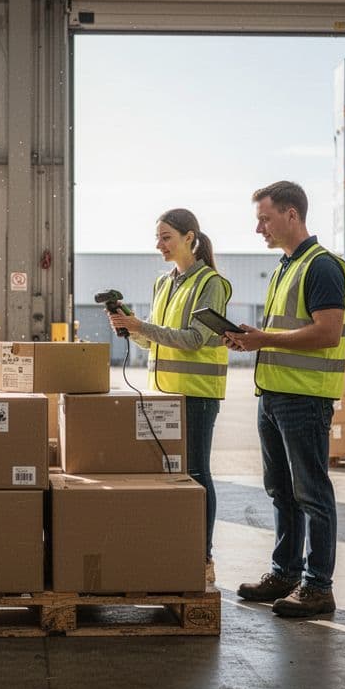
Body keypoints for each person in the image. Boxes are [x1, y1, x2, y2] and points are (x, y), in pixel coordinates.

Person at [224, 181, 345, 618]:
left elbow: (328, 331)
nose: (259, 227)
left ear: (291, 214)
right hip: (275, 396)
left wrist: (264, 339)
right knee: (281, 491)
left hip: (304, 399)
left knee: (312, 494)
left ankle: (318, 587)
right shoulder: (284, 267)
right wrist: (252, 340)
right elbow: (284, 333)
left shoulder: (322, 267)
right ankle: (285, 572)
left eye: (265, 217)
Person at [108, 208, 231, 583]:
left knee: (195, 473)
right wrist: (131, 328)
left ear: (189, 238)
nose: (159, 244)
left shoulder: (211, 283)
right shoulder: (164, 283)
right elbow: (153, 340)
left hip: (196, 395)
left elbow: (196, 339)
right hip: (160, 395)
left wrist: (142, 326)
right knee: (165, 477)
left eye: (167, 238)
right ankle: (173, 551)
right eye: (158, 237)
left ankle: (202, 557)